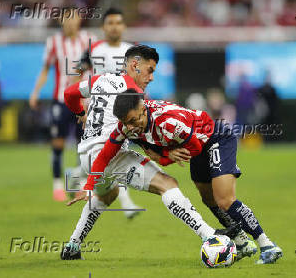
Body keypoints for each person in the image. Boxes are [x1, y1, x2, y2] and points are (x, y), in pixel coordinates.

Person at [61, 45, 231, 260]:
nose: (151, 77)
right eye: (149, 70)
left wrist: (80, 113)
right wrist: (164, 156)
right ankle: (210, 236)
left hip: (87, 155)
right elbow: (135, 133)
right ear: (135, 65)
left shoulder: (100, 79)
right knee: (167, 184)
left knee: (109, 194)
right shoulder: (133, 95)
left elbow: (69, 94)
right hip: (108, 154)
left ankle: (72, 247)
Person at [84, 90, 283, 264]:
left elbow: (194, 147)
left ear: (144, 109)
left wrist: (164, 157)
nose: (132, 127)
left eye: (135, 120)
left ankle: (267, 245)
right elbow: (104, 156)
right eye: (127, 122)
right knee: (208, 198)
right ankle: (241, 242)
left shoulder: (167, 121)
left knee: (225, 200)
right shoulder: (127, 127)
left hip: (215, 139)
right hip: (196, 145)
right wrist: (89, 186)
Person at [66, 7, 141, 219]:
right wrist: (80, 108)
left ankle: (75, 175)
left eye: (118, 23)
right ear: (103, 27)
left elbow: (137, 82)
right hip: (98, 112)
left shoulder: (132, 51)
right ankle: (127, 205)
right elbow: (78, 76)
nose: (114, 27)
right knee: (109, 155)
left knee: (109, 155)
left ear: (124, 26)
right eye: (110, 23)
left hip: (123, 110)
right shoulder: (94, 49)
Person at [29, 12, 96, 201]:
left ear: (79, 21)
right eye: (67, 19)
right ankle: (58, 185)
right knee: (57, 143)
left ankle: (79, 183)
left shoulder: (89, 40)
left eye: (74, 18)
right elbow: (45, 69)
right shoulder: (54, 42)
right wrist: (35, 92)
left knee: (82, 145)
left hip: (84, 100)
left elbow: (97, 67)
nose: (71, 23)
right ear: (61, 21)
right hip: (61, 99)